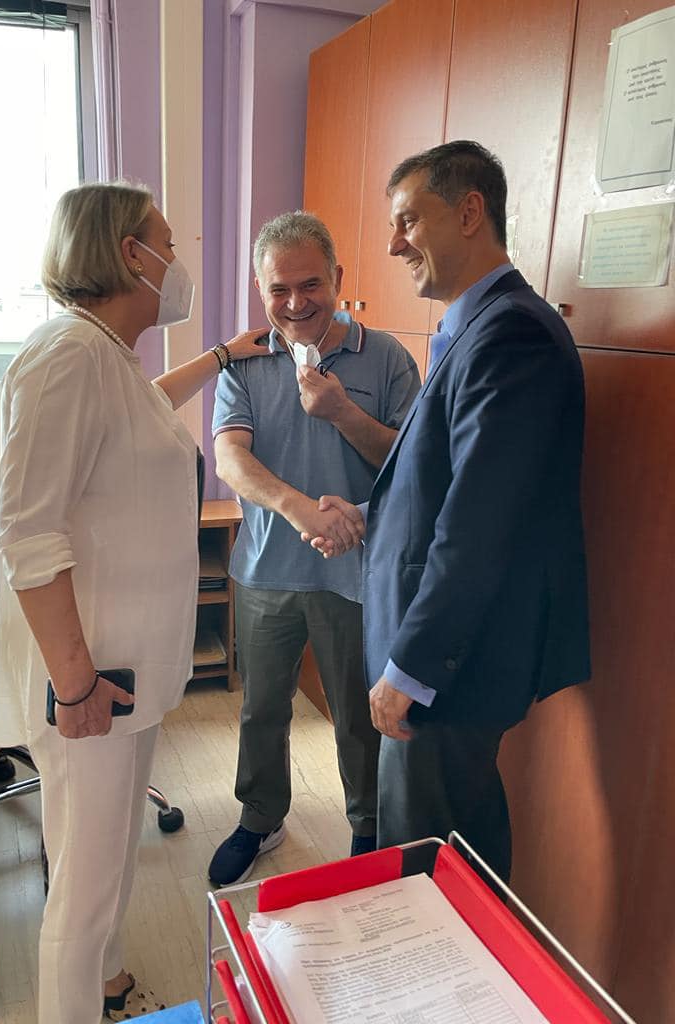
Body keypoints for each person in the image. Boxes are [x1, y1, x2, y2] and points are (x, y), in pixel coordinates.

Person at [0, 181, 269, 1024]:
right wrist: (75, 686)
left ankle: (107, 983)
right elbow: (28, 535)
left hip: (125, 676)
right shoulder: (66, 355)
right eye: (165, 244)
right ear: (129, 254)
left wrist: (222, 357)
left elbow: (138, 411)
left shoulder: (104, 355)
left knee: (109, 857)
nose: (176, 260)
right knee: (85, 884)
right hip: (91, 681)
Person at [305, 141, 591, 882]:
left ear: (469, 212)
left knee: (430, 866)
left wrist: (412, 668)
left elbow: (480, 527)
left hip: (452, 663)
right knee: (452, 851)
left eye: (408, 221)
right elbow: (448, 483)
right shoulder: (475, 325)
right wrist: (371, 512)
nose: (393, 244)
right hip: (445, 653)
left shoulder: (511, 334)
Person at [207, 211, 421, 886]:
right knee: (261, 708)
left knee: (358, 715)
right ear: (260, 289)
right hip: (268, 569)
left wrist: (343, 413)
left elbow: (414, 462)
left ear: (337, 278)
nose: (295, 303)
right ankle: (260, 816)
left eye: (310, 285)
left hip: (358, 575)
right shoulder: (245, 360)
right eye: (279, 289)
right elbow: (231, 459)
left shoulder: (385, 357)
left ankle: (367, 827)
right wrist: (300, 508)